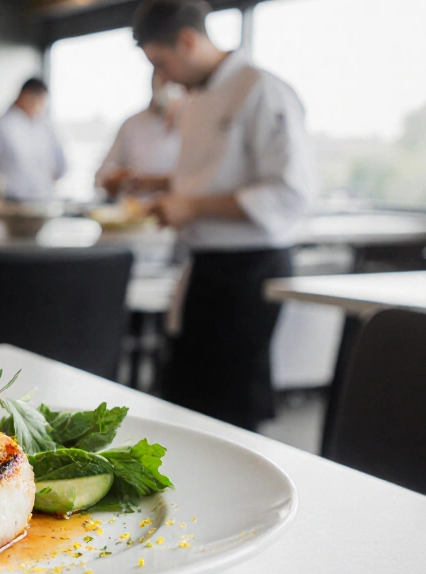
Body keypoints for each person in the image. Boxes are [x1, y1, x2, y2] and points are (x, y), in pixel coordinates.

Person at [133, 0, 316, 430]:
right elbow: (208, 178)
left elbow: (290, 192)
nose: (163, 77)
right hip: (206, 268)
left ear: (187, 41)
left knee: (233, 408)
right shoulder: (196, 99)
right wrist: (161, 186)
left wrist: (190, 207)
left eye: (162, 62)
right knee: (188, 402)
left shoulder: (260, 89)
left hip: (251, 272)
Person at [0, 78, 67, 202]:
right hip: (10, 203)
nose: (39, 106)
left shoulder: (47, 128)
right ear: (24, 96)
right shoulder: (0, 126)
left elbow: (62, 166)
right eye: (36, 100)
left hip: (44, 200)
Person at [95, 72, 184, 199]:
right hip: (136, 211)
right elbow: (102, 176)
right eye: (162, 81)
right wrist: (117, 179)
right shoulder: (132, 124)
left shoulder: (196, 123)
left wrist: (153, 183)